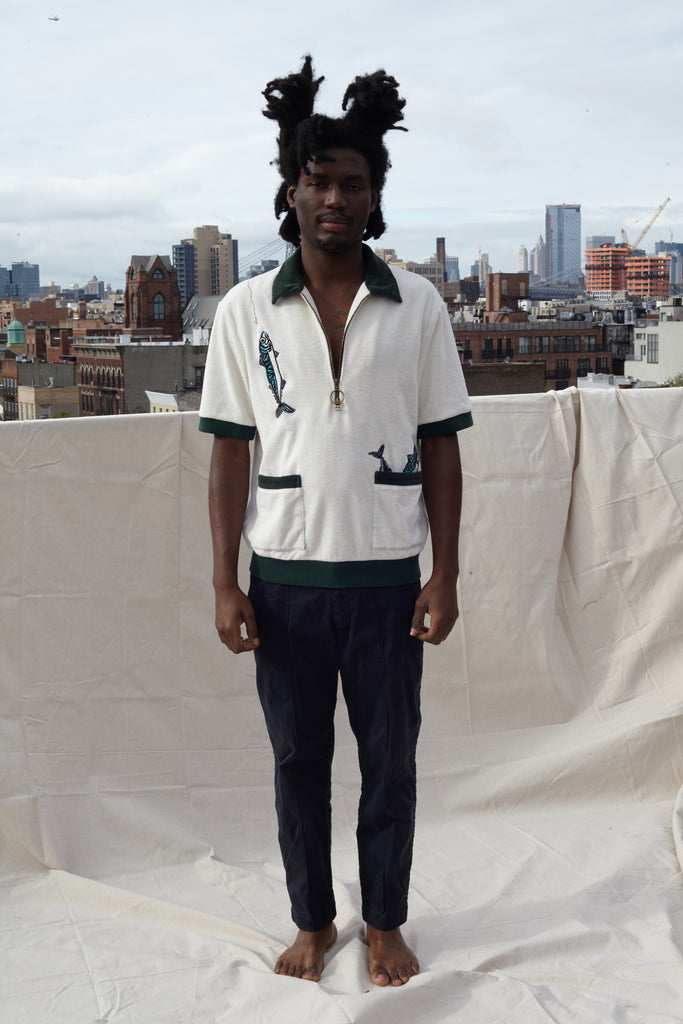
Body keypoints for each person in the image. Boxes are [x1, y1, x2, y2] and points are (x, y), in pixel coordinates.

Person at [199, 56, 472, 987]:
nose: (335, 198)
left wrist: (445, 572)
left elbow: (440, 445)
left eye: (353, 182)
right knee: (296, 763)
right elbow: (229, 448)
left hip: (389, 580)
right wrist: (225, 580)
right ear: (292, 189)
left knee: (389, 765)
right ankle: (312, 921)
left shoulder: (419, 306)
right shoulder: (244, 310)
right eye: (318, 180)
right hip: (284, 584)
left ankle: (385, 922)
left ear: (375, 194)